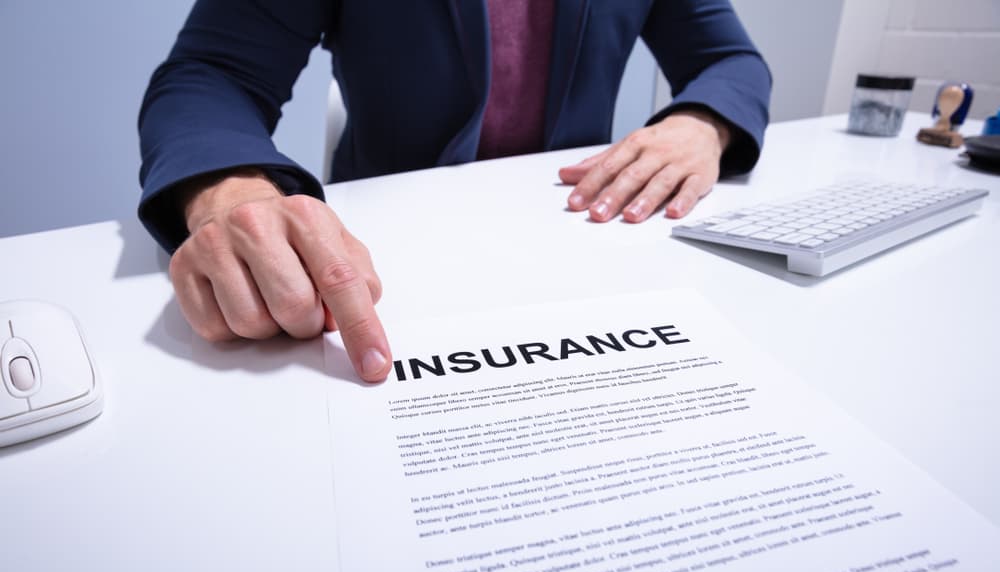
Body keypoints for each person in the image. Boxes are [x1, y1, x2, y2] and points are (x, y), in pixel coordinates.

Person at [138, 0, 771, 383]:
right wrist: (227, 189)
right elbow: (213, 74)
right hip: (386, 271)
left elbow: (729, 59)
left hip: (584, 245)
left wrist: (702, 122)